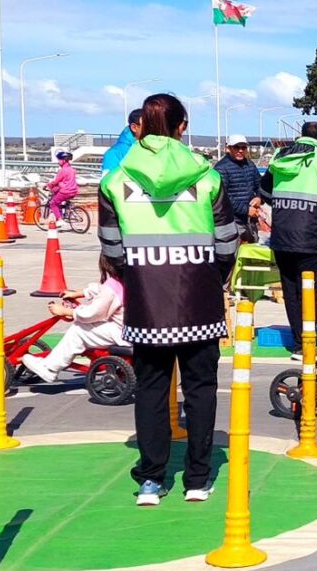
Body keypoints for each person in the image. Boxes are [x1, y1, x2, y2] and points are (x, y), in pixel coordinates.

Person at [98, 93, 240, 506]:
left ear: (140, 125)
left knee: (151, 389)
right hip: (200, 298)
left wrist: (137, 276)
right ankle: (197, 478)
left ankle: (151, 478)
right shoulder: (207, 178)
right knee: (201, 388)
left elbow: (111, 247)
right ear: (182, 127)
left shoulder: (115, 179)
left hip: (146, 302)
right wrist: (216, 277)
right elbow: (227, 240)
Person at [258, 122, 317, 361]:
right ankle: (308, 345)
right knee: (310, 293)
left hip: (282, 237)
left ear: (301, 136)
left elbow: (264, 192)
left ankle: (298, 343)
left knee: (290, 291)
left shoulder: (280, 156)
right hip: (312, 238)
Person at [21, 255, 128, 383]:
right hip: (135, 328)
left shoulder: (112, 287)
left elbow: (93, 313)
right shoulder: (132, 279)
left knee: (79, 330)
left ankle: (50, 368)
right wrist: (79, 293)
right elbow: (101, 290)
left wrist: (67, 311)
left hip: (122, 332)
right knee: (94, 325)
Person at [214, 134, 262, 243]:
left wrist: (259, 198)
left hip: (250, 219)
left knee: (251, 253)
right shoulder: (221, 168)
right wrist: (246, 210)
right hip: (233, 220)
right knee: (237, 253)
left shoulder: (250, 164)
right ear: (228, 148)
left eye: (243, 147)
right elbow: (223, 197)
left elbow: (260, 184)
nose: (240, 150)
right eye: (236, 147)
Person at [102, 109, 142, 174]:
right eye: (148, 126)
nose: (152, 129)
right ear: (134, 127)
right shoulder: (113, 153)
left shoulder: (154, 149)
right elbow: (108, 182)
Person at [46, 150, 80, 223]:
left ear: (64, 161)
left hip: (66, 191)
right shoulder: (72, 169)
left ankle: (60, 220)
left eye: (59, 160)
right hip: (74, 191)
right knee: (59, 200)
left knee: (53, 203)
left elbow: (56, 182)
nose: (58, 162)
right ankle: (64, 214)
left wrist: (48, 185)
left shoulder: (63, 171)